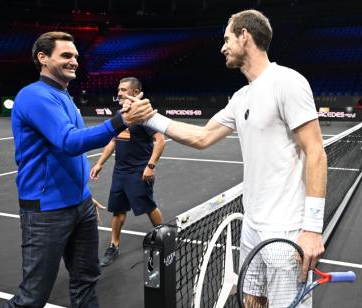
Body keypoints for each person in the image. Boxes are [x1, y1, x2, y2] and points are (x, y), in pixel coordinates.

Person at [127, 10, 326, 307]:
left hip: (286, 230)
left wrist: (311, 229)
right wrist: (152, 118)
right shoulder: (241, 98)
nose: (222, 48)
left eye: (227, 39)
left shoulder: (287, 82)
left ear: (245, 35)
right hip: (252, 227)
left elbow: (316, 152)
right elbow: (202, 137)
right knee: (250, 301)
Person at [5, 31, 154, 308]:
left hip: (79, 206)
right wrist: (122, 120)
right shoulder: (34, 96)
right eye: (65, 55)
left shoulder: (63, 95)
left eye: (75, 55)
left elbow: (69, 150)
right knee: (32, 297)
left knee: (86, 280)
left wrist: (82, 194)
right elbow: (69, 142)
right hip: (46, 211)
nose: (74, 60)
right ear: (43, 58)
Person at [90, 77, 166, 267]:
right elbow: (114, 141)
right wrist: (100, 163)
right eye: (118, 89)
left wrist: (150, 166)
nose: (119, 93)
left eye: (123, 90)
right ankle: (113, 246)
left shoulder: (144, 115)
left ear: (135, 92)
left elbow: (160, 140)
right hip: (120, 172)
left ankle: (165, 237)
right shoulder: (121, 114)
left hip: (139, 172)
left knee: (148, 207)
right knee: (118, 211)